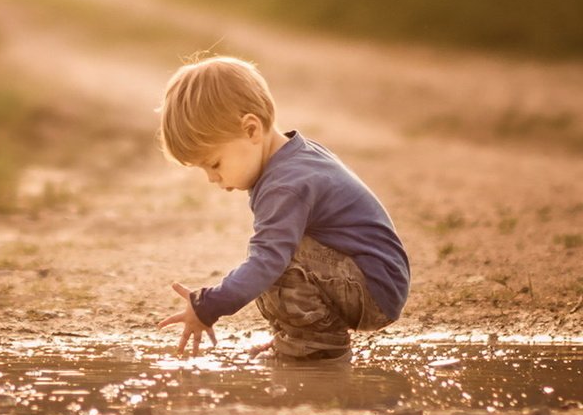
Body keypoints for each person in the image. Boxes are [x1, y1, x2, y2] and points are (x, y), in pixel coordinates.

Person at [156, 56, 409, 360]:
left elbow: (268, 262)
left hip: (372, 288)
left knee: (268, 263)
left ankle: (317, 348)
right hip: (371, 278)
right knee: (268, 257)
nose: (212, 178)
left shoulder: (285, 184)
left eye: (214, 164)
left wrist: (208, 305)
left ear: (251, 130)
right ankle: (297, 337)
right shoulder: (292, 158)